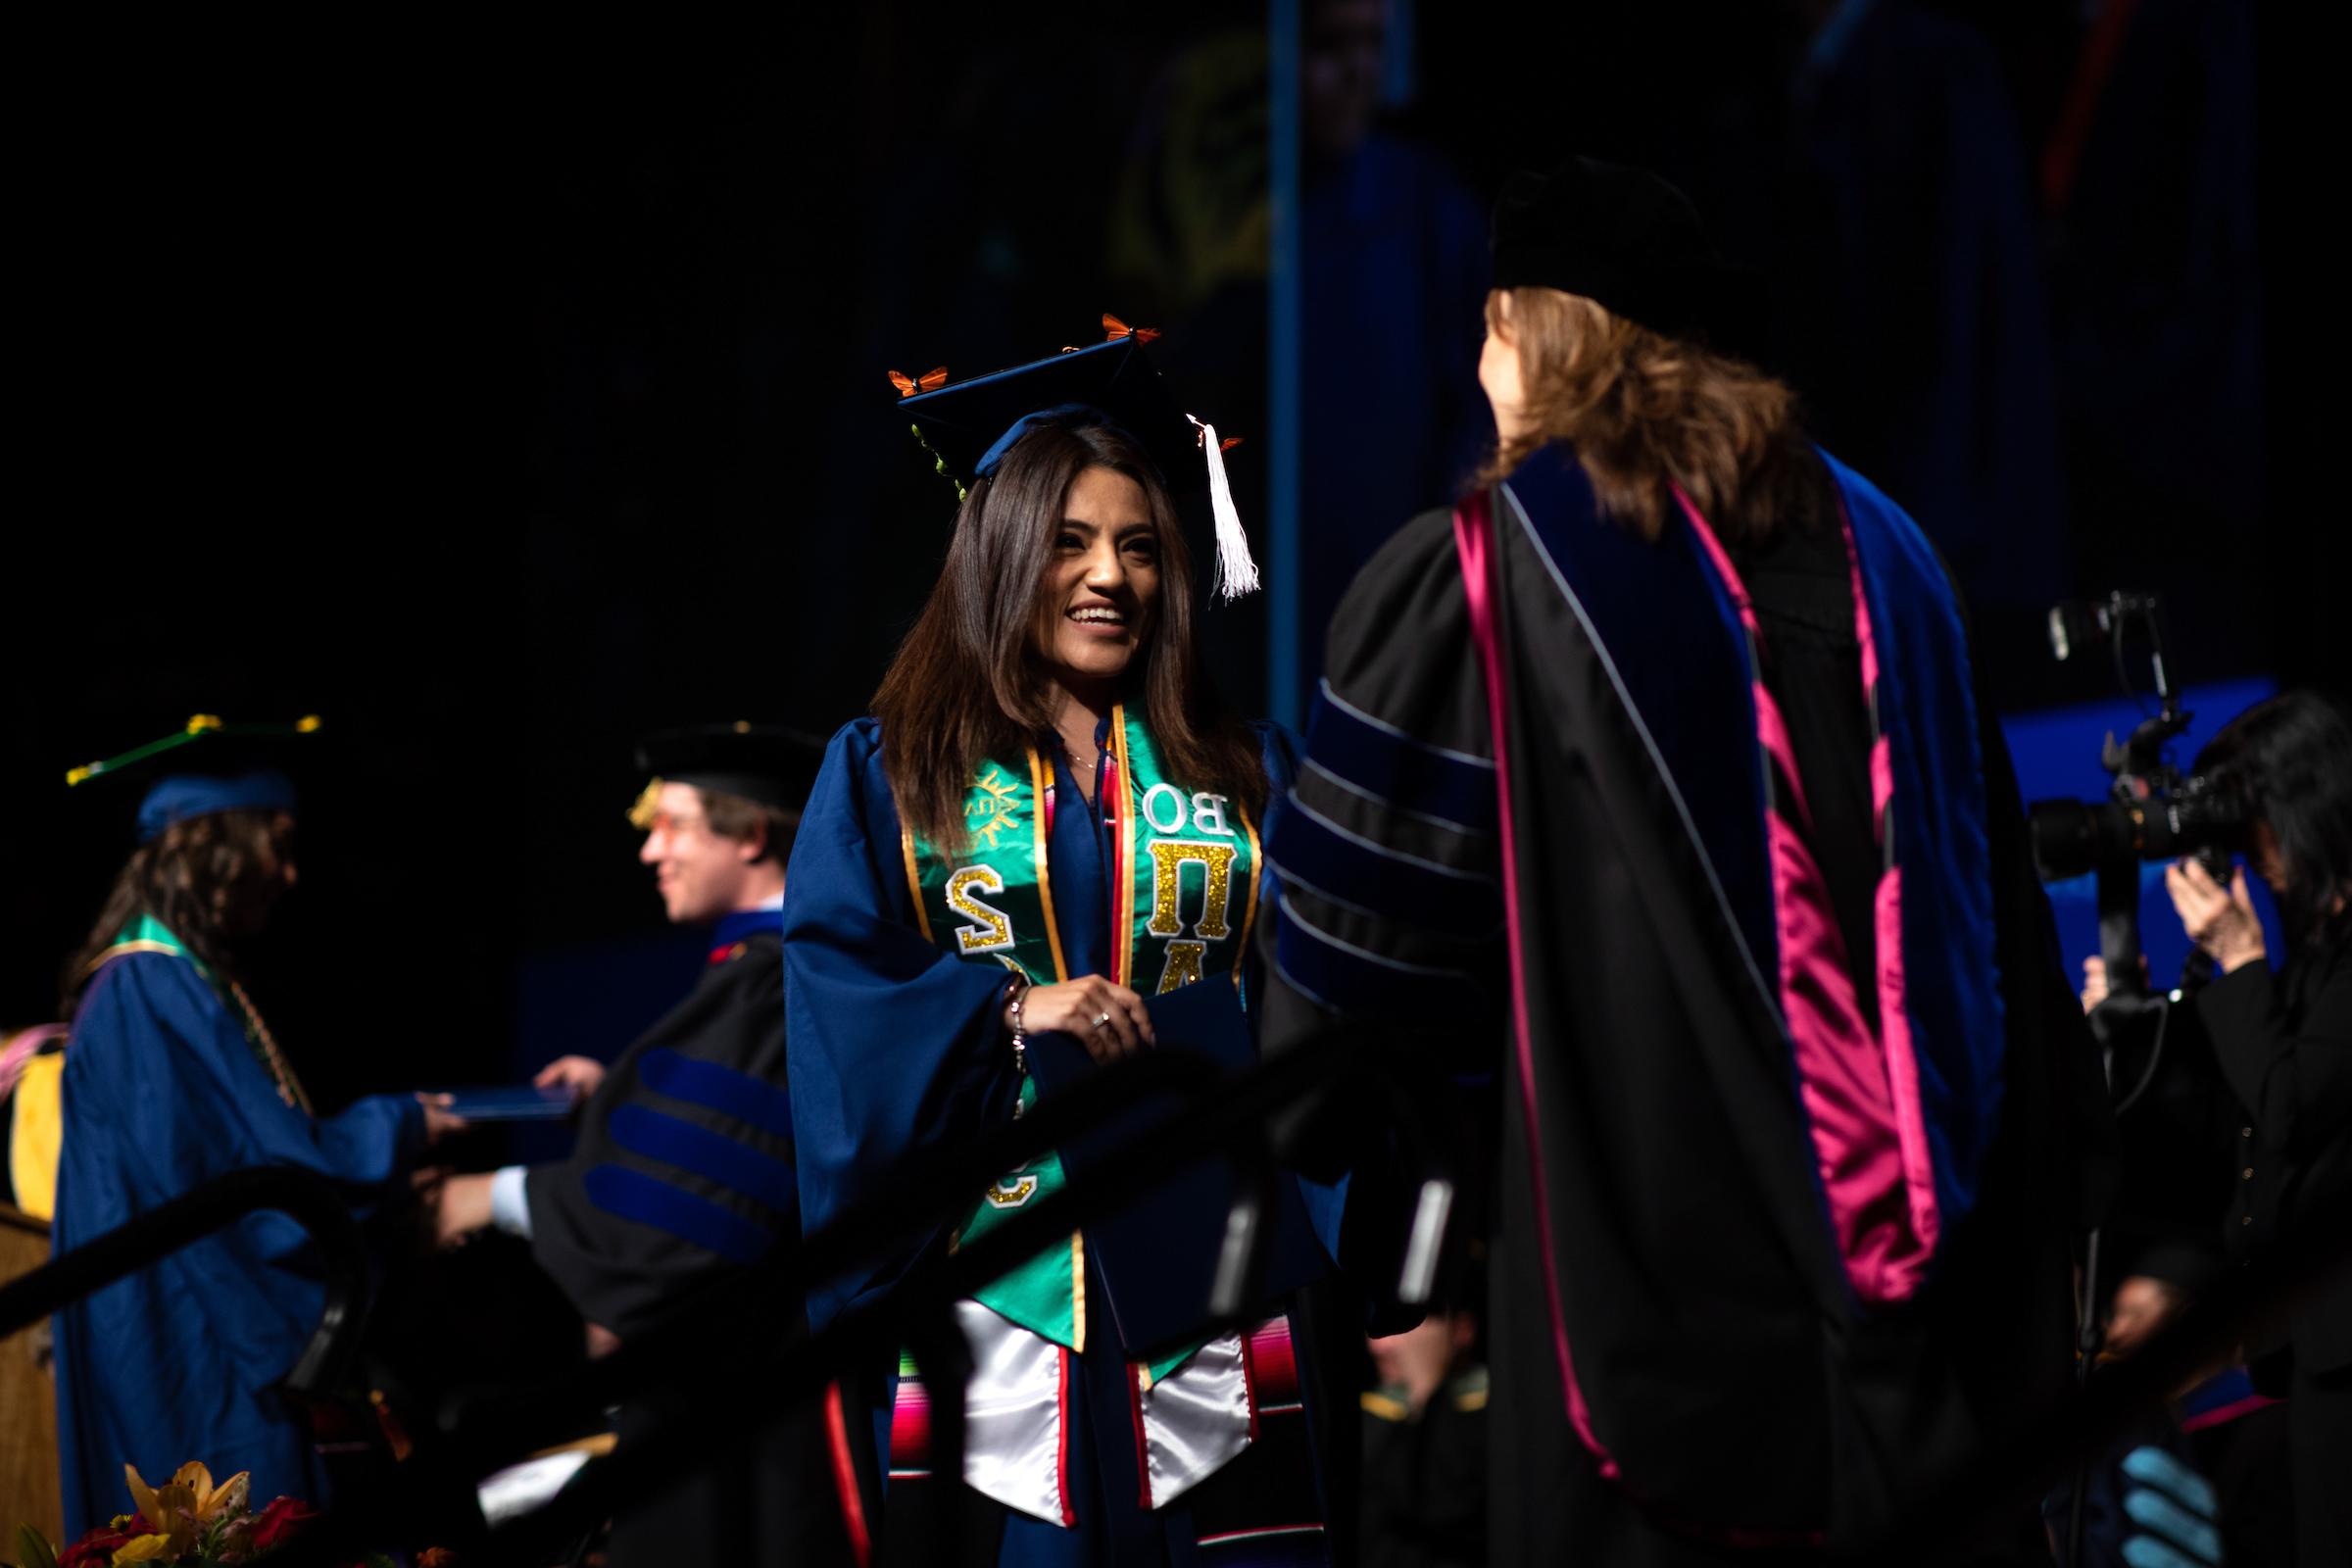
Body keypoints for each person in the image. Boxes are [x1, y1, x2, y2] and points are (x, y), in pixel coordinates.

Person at [1256, 159, 2112, 1563]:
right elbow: (2000, 925)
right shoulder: (1891, 555)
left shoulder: (1490, 572)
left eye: (1485, 335)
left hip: (1640, 1307)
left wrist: (1401, 1164)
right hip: (1943, 1347)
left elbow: (1350, 999)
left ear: (1530, 333)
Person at [785, 332, 1332, 1563]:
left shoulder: (1241, 771)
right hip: (996, 1284)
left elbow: (1314, 1008)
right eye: (1071, 543)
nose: (1111, 578)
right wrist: (1001, 1011)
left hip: (1215, 1281)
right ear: (1000, 555)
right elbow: (835, 995)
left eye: (1141, 547)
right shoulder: (893, 776)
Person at [430, 722, 845, 1565]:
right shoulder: (770, 968)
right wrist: (610, 1091)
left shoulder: (775, 976)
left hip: (745, 1406)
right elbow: (719, 1130)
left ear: (752, 834)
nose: (652, 850)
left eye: (675, 824)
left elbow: (696, 1206)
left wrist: (492, 1196)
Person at [48, 716, 460, 1534]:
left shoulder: (184, 986)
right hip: (191, 1330)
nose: (291, 872)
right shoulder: (145, 991)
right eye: (278, 842)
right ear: (218, 847)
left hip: (200, 1311)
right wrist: (400, 1125)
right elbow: (252, 1172)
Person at [2157, 691, 2352, 1562]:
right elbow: (2243, 1126)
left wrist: (2240, 959)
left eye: (2254, 820)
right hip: (2315, 1347)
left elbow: (2289, 1108)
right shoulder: (2315, 951)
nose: (2250, 853)